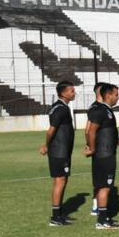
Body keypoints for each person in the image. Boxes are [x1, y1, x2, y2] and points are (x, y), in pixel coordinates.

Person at [40, 80, 76, 226]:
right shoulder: (60, 109)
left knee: (62, 180)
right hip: (59, 151)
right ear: (63, 93)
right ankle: (55, 218)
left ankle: (59, 214)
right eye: (71, 91)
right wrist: (46, 145)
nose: (74, 93)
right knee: (60, 181)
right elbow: (51, 130)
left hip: (62, 150)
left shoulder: (60, 107)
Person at [86, 82, 119, 230]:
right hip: (104, 154)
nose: (118, 97)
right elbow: (90, 130)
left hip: (106, 152)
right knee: (105, 186)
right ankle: (102, 220)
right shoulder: (100, 110)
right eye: (116, 94)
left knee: (104, 186)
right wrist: (92, 148)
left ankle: (103, 217)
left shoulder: (106, 110)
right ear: (108, 96)